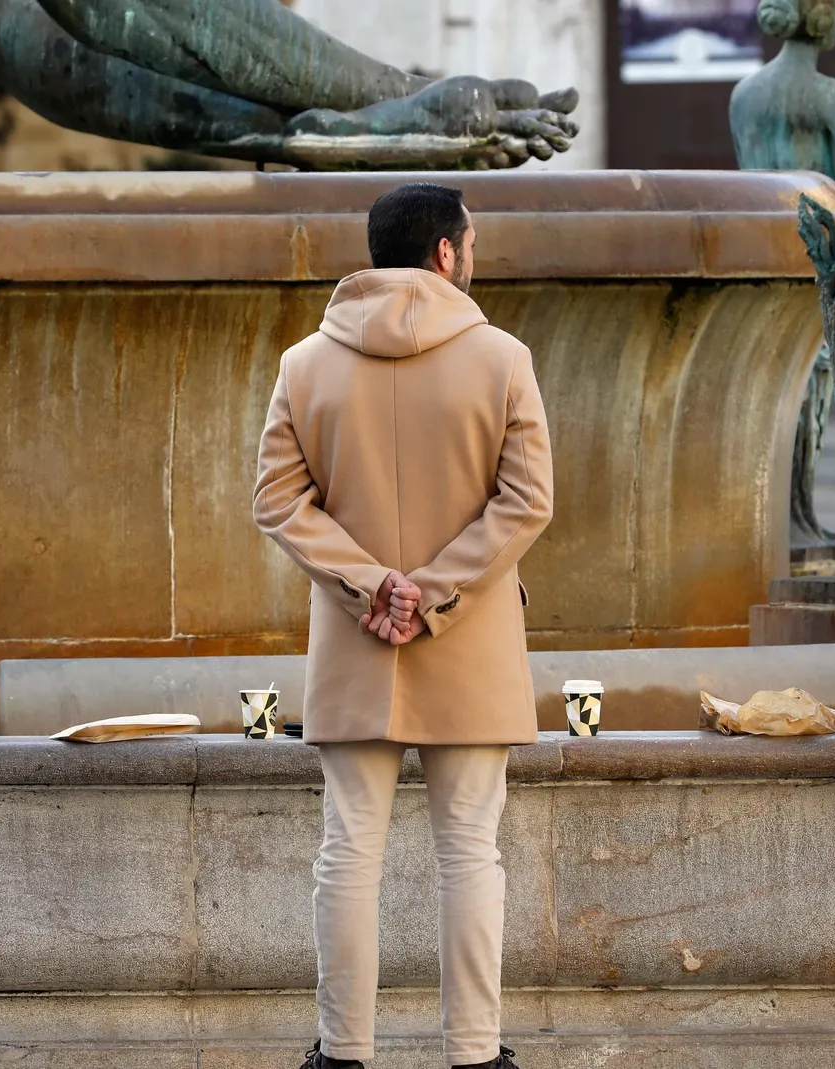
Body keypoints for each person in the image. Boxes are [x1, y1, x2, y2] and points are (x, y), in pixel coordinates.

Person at [253, 182, 555, 1069]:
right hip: (469, 641)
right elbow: (528, 501)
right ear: (447, 254)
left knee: (349, 850)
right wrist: (435, 590)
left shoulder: (304, 362)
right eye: (472, 243)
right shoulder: (503, 357)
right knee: (470, 852)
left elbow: (276, 500)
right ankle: (475, 1053)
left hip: (355, 642)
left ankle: (343, 1055)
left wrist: (369, 585)